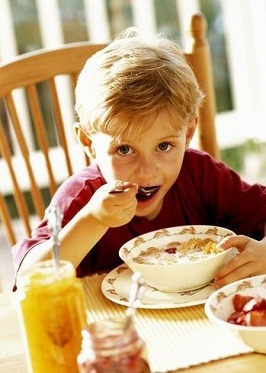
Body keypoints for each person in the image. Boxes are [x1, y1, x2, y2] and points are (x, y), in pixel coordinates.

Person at [12, 29, 266, 290]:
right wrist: (93, 220)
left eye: (164, 146)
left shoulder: (201, 175)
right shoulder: (83, 198)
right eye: (124, 150)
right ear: (88, 143)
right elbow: (28, 281)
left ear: (188, 133)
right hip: (115, 326)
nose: (146, 172)